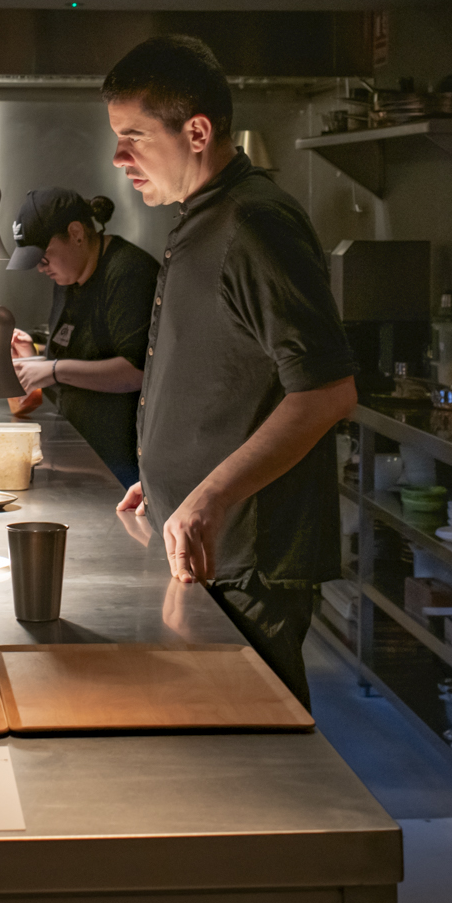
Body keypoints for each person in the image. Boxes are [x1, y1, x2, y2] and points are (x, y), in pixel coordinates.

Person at [101, 35, 356, 706]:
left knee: (258, 757)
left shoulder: (255, 222)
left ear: (197, 130)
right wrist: (166, 485)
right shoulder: (200, 216)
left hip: (249, 555)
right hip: (205, 544)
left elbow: (327, 392)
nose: (119, 157)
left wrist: (206, 497)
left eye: (133, 137)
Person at [5, 187, 156, 487]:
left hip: (126, 467)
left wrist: (52, 370)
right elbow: (80, 353)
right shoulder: (69, 275)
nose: (39, 268)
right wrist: (32, 353)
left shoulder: (129, 274)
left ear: (76, 233)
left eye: (43, 258)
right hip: (85, 455)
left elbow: (139, 372)